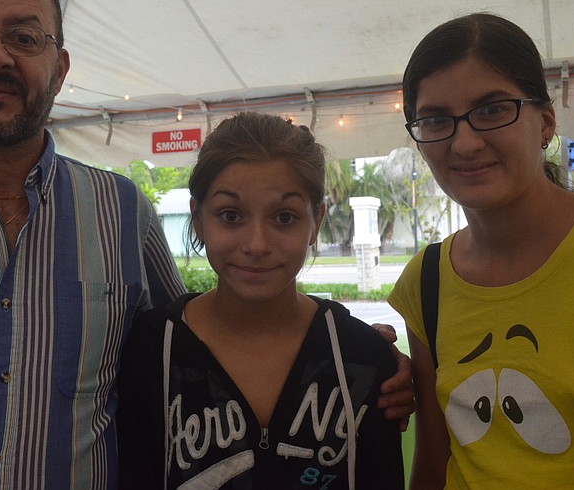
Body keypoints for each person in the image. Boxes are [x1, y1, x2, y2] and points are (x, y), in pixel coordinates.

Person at [0, 0, 412, 490]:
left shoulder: (122, 211)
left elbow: (195, 353)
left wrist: (353, 363)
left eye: (24, 37)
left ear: (60, 65)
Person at [388, 12, 574, 489]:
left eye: (493, 109)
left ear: (545, 122)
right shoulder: (427, 278)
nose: (466, 141)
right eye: (436, 120)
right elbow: (435, 462)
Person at [116, 112, 405, 489]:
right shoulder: (150, 350)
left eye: (284, 217)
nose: (257, 245)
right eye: (230, 215)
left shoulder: (360, 356)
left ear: (315, 221)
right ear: (199, 219)